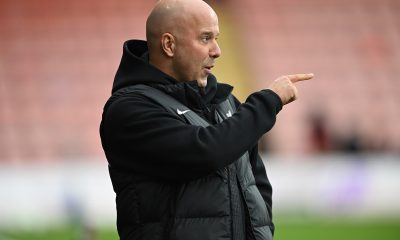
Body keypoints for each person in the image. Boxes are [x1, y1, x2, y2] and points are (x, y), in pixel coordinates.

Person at [100, 0, 313, 239]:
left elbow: (256, 182)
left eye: (217, 38)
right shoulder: (130, 110)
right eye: (205, 38)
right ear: (169, 45)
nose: (217, 50)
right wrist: (267, 102)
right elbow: (206, 151)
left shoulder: (225, 101)